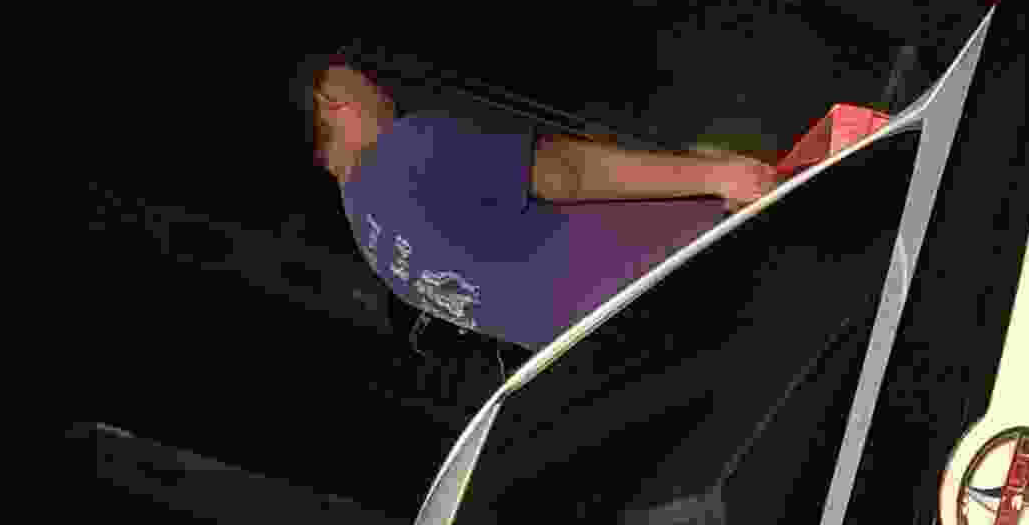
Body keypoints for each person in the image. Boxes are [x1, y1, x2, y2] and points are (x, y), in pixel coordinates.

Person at [309, 59, 777, 352]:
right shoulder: (406, 147)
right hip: (693, 268)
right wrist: (714, 176)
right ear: (330, 99)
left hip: (630, 345)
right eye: (356, 74)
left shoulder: (367, 235)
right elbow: (566, 172)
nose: (373, 82)